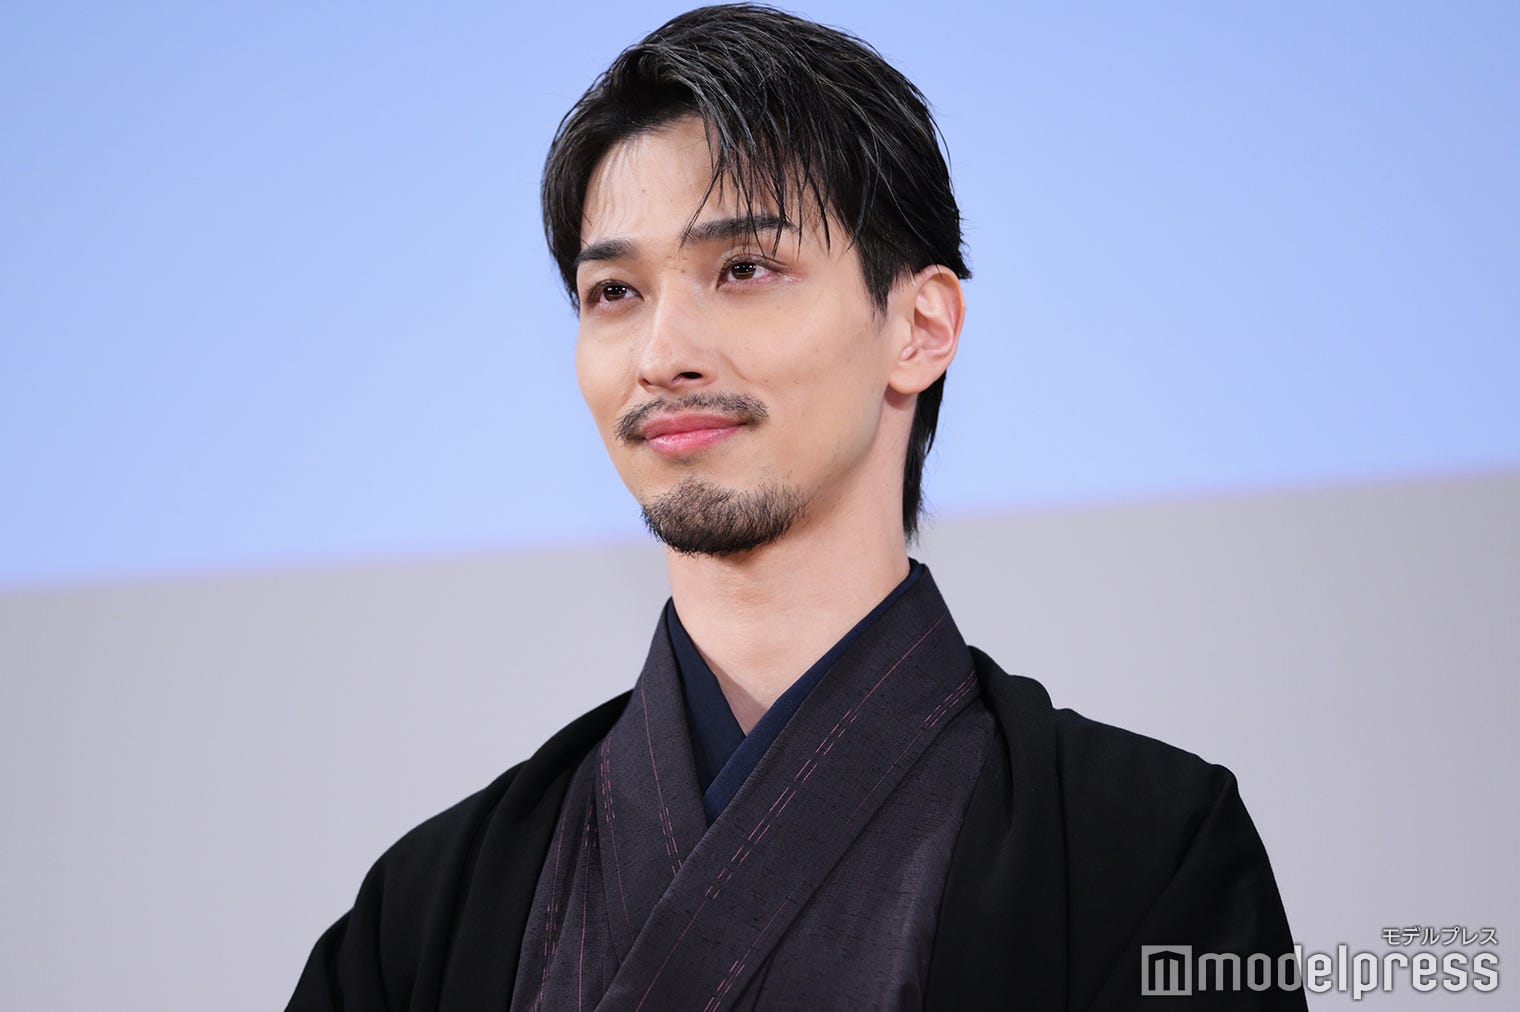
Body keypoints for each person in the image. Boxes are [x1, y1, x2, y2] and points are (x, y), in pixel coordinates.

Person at [288, 5, 1305, 1008]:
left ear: (919, 326)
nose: (662, 355)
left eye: (744, 269)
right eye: (615, 294)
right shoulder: (423, 916)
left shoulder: (1140, 852)